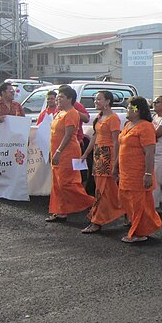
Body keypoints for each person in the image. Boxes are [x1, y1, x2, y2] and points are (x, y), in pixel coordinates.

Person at [46, 85, 94, 222]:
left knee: (66, 183)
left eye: (61, 97)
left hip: (67, 152)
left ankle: (91, 202)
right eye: (58, 97)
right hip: (57, 151)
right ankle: (60, 211)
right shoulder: (59, 112)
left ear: (70, 99)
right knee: (57, 182)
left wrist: (59, 152)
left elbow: (68, 135)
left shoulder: (72, 113)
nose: (57, 99)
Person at [80, 91, 125, 233]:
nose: (95, 101)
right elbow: (95, 136)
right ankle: (126, 210)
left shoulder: (113, 118)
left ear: (107, 101)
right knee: (107, 189)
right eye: (95, 99)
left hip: (107, 155)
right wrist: (86, 153)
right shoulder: (100, 116)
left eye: (99, 99)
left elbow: (116, 142)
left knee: (103, 189)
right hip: (98, 155)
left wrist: (116, 161)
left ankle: (97, 221)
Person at [118, 96, 162, 242]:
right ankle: (139, 228)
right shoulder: (128, 125)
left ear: (137, 110)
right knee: (126, 200)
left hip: (138, 172)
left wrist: (148, 173)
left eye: (130, 107)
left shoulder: (145, 126)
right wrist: (115, 166)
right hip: (126, 172)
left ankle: (138, 232)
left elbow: (150, 152)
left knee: (138, 203)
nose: (128, 110)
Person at [0, 81, 26, 200]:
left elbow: (23, 120)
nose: (13, 93)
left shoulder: (17, 105)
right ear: (3, 93)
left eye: (13, 91)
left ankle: (13, 189)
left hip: (15, 141)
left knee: (13, 165)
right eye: (10, 91)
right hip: (1, 141)